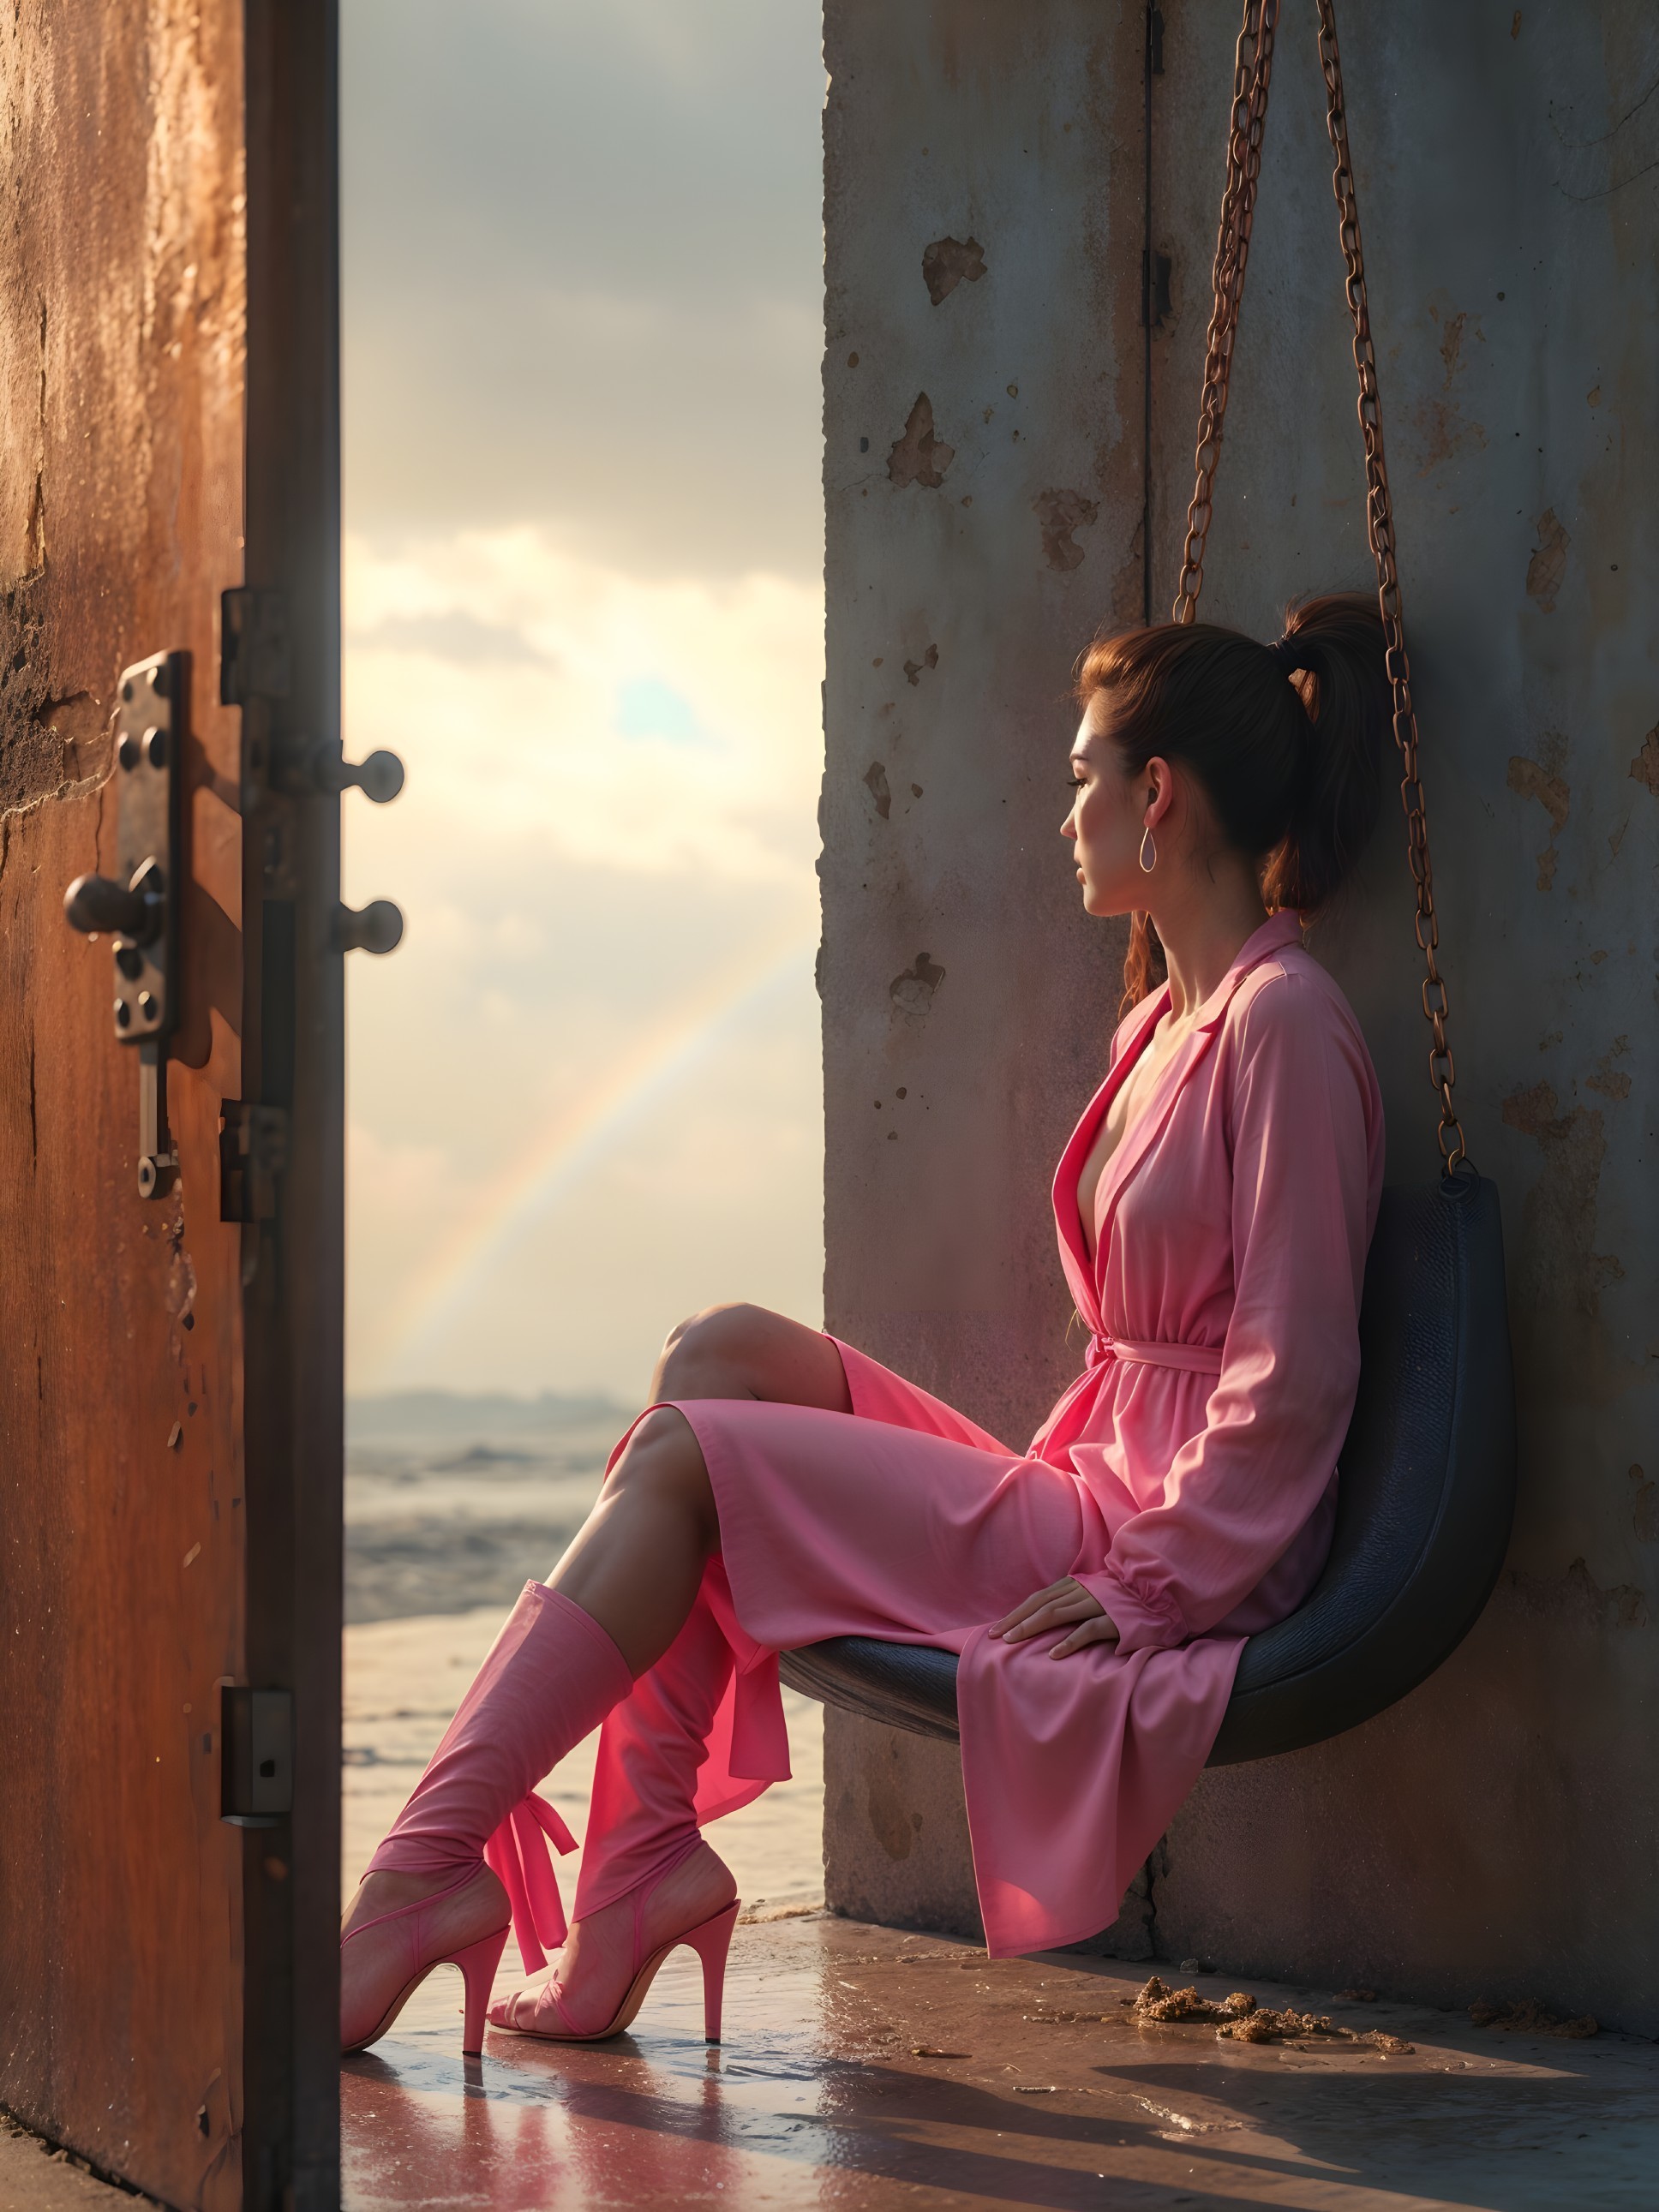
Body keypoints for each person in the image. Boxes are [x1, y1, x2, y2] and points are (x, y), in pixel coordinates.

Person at [340, 594, 1388, 2056]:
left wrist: (1156, 1581)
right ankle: (634, 1869)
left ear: (1158, 798)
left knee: (693, 1456)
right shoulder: (1157, 1024)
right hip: (1084, 1484)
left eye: (1083, 776)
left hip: (1163, 1537)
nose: (1064, 811)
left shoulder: (1283, 1024)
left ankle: (414, 1877)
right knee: (716, 1355)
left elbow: (1298, 1368)